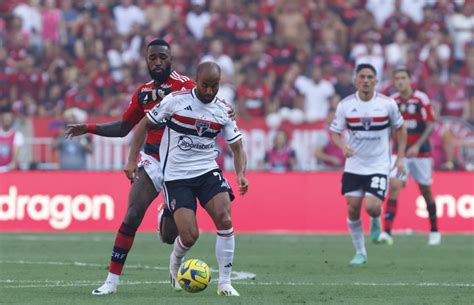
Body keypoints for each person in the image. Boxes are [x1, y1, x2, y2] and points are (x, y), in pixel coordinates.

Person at [65, 39, 195, 295]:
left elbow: (209, 105)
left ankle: (166, 211)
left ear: (171, 59)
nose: (157, 62)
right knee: (132, 214)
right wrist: (89, 128)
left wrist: (227, 112)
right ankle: (111, 282)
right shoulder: (143, 93)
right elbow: (125, 127)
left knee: (170, 237)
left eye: (162, 57)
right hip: (154, 160)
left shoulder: (186, 86)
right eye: (152, 58)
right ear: (146, 61)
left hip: (181, 165)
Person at [125, 62, 249, 296]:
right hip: (176, 176)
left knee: (224, 218)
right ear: (196, 80)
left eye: (215, 86)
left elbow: (237, 147)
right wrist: (132, 160)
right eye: (205, 85)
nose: (210, 91)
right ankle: (175, 260)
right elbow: (144, 124)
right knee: (190, 235)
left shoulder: (223, 110)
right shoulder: (175, 101)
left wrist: (241, 174)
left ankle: (225, 283)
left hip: (207, 171)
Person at [330, 63, 407, 265]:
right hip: (354, 165)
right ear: (355, 80)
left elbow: (401, 128)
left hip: (379, 164)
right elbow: (335, 133)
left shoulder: (387, 104)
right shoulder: (345, 105)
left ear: (376, 81)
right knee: (353, 209)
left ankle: (375, 219)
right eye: (362, 76)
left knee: (372, 207)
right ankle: (361, 253)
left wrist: (400, 157)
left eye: (369, 77)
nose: (365, 80)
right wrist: (342, 146)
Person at [378, 67, 440, 246]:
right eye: (397, 78)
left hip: (422, 153)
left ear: (410, 79)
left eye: (403, 78)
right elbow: (388, 127)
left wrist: (418, 145)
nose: (400, 82)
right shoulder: (392, 101)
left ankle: (435, 229)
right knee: (395, 186)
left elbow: (430, 125)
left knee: (426, 192)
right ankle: (387, 231)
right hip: (400, 154)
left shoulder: (421, 99)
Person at [0, 106, 24, 172]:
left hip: (10, 172)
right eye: (5, 117)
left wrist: (10, 165)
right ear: (1, 118)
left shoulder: (17, 135)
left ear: (12, 119)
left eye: (9, 117)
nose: (7, 119)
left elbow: (14, 158)